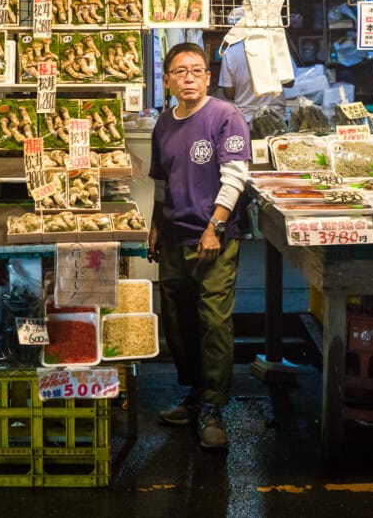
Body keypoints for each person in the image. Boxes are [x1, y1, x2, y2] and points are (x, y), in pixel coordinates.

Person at [149, 42, 252, 451]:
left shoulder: (225, 116)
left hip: (213, 239)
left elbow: (235, 177)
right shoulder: (164, 122)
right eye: (180, 72)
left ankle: (213, 408)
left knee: (213, 322)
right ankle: (193, 396)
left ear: (208, 76)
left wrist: (215, 226)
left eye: (196, 70)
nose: (188, 78)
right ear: (168, 79)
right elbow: (160, 181)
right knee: (178, 321)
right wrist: (156, 225)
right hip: (173, 236)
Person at [217, 38, 295, 123]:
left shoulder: (230, 52)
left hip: (245, 118)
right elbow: (289, 83)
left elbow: (229, 93)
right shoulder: (279, 49)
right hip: (276, 117)